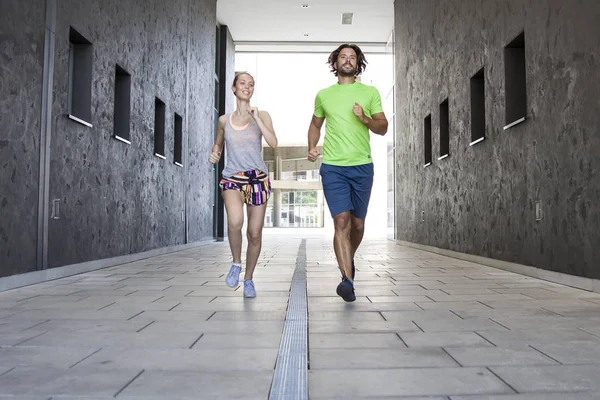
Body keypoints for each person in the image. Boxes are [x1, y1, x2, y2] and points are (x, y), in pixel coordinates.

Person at [307, 44, 388, 302]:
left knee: (358, 224)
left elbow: (383, 127)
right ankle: (347, 280)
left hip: (362, 166)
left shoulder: (369, 92)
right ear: (335, 63)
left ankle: (347, 259)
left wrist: (365, 119)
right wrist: (311, 146)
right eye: (343, 56)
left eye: (353, 57)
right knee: (341, 221)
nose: (348, 60)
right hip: (333, 166)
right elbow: (315, 124)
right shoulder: (323, 95)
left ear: (358, 63)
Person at [209, 72, 278, 298]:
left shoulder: (263, 115)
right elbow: (218, 146)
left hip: (258, 179)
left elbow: (274, 143)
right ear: (234, 88)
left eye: (251, 84)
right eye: (242, 83)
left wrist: (256, 118)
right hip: (232, 178)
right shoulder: (223, 120)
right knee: (235, 221)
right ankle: (236, 263)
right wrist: (215, 154)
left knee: (255, 234)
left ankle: (248, 279)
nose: (247, 87)